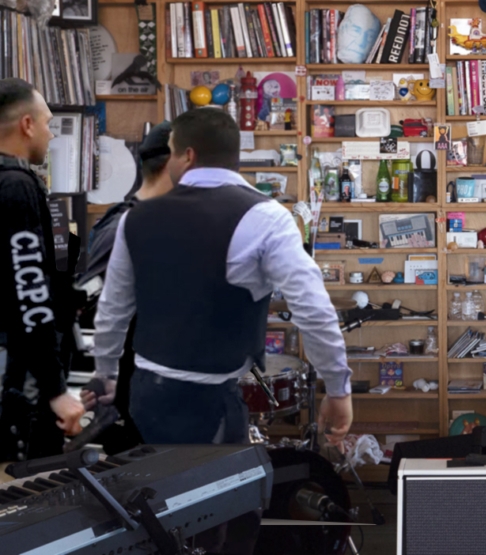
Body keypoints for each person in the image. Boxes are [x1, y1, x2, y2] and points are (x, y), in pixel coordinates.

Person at [86, 108, 353, 553]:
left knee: (149, 520)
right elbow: (314, 310)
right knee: (217, 527)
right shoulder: (266, 217)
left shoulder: (137, 217)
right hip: (210, 403)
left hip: (146, 397)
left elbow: (113, 309)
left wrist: (105, 374)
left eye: (170, 154)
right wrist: (339, 389)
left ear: (186, 155)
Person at [75, 122, 174, 454]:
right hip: (134, 395)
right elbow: (96, 306)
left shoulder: (149, 221)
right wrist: (107, 374)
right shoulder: (126, 225)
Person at [0, 78, 85, 464]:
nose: (52, 134)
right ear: (27, 125)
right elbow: (29, 291)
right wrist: (56, 390)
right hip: (15, 376)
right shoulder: (16, 187)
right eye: (48, 123)